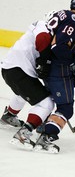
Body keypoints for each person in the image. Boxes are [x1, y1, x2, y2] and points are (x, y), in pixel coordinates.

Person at [33, 0, 75, 153]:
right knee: (66, 108)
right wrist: (73, 62)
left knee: (53, 98)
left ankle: (44, 124)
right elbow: (58, 46)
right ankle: (46, 137)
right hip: (58, 67)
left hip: (46, 64)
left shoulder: (61, 13)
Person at [0, 11, 56, 148]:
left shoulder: (39, 26)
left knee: (22, 93)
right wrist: (44, 63)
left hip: (9, 68)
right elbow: (42, 39)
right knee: (47, 103)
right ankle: (23, 134)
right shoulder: (44, 27)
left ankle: (9, 116)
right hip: (19, 70)